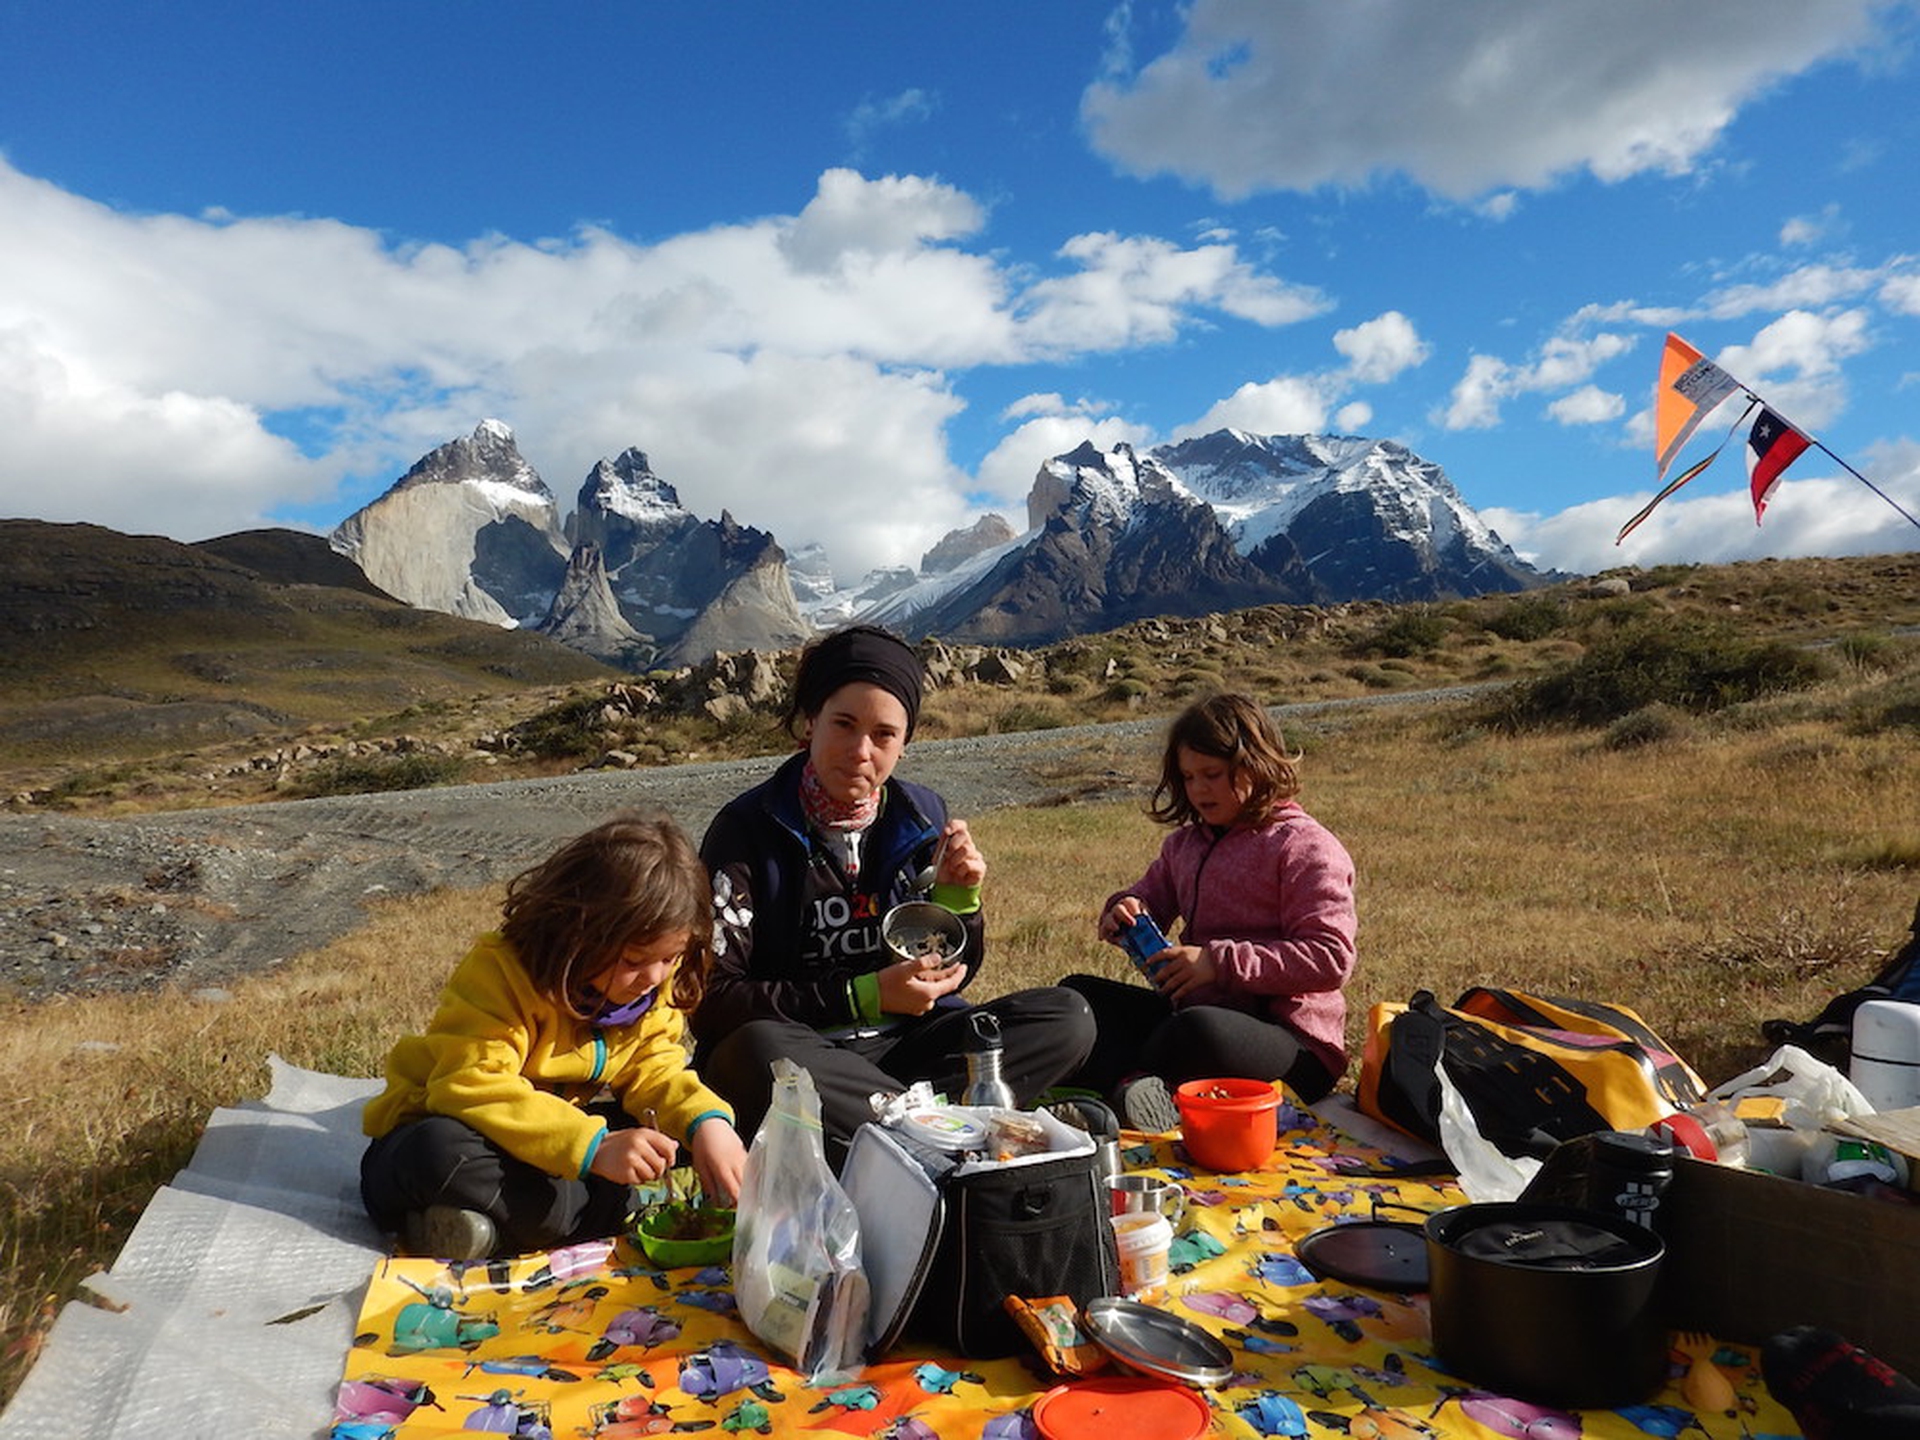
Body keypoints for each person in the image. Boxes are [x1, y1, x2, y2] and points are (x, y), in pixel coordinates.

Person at [693, 623, 1096, 1162]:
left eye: (884, 735)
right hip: (806, 1049)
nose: (861, 751)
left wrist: (959, 902)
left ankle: (893, 1132)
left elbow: (952, 972)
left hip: (905, 1048)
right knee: (756, 1051)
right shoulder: (746, 830)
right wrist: (862, 997)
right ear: (810, 722)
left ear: (904, 744)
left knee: (1067, 1017)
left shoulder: (920, 815)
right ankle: (949, 1132)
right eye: (844, 724)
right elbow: (711, 999)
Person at [360, 813, 748, 1261]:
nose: (654, 976)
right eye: (635, 960)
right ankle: (612, 1207)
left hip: (548, 1148)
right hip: (445, 1134)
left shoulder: (652, 986)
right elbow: (468, 1084)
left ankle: (488, 1227)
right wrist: (595, 1147)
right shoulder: (502, 973)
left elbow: (655, 1070)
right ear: (581, 932)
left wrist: (707, 1125)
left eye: (670, 958)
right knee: (438, 1153)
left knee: (668, 1144)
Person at [1061, 691, 1357, 1131]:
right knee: (1080, 998)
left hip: (1292, 1046)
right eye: (1188, 777)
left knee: (1199, 1030)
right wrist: (1124, 911)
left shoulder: (1306, 847)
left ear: (1256, 765)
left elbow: (1330, 958)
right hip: (1191, 1019)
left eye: (1212, 774)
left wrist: (1218, 964)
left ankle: (1124, 1088)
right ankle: (1139, 1091)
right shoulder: (1184, 846)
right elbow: (1149, 899)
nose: (1199, 789)